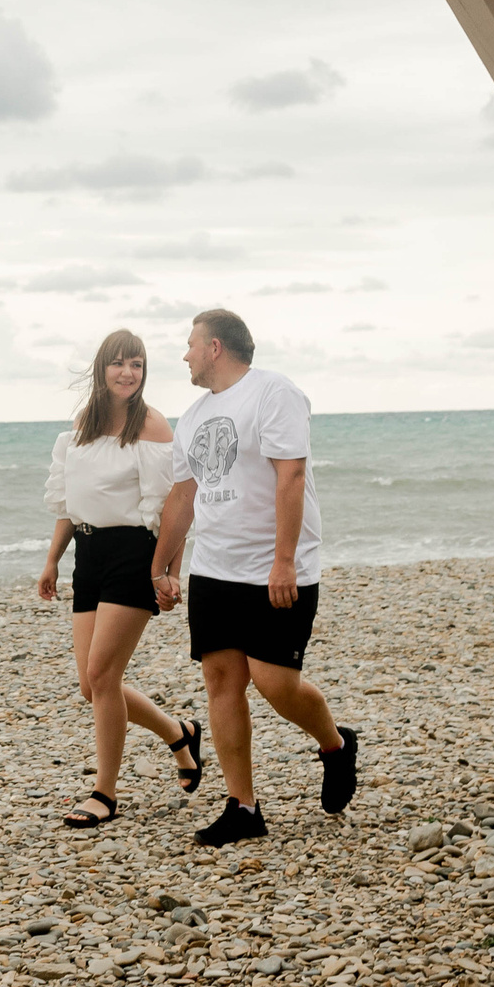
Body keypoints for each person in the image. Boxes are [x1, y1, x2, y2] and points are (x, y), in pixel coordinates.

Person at [151, 308, 357, 846]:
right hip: (216, 568)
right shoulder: (193, 415)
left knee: (274, 683)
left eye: (190, 344)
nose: (186, 355)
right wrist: (162, 564)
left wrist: (284, 560)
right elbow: (183, 496)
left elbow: (291, 474)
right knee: (222, 681)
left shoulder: (274, 393)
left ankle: (335, 745)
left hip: (274, 566)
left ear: (215, 346)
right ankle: (243, 807)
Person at [37, 328, 205, 829]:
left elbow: (174, 505)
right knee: (92, 685)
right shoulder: (82, 425)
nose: (127, 372)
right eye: (118, 363)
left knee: (104, 677)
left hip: (135, 554)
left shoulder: (151, 424)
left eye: (136, 363)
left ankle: (104, 793)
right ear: (101, 369)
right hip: (87, 555)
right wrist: (52, 560)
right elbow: (69, 505)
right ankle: (180, 733)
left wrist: (170, 572)